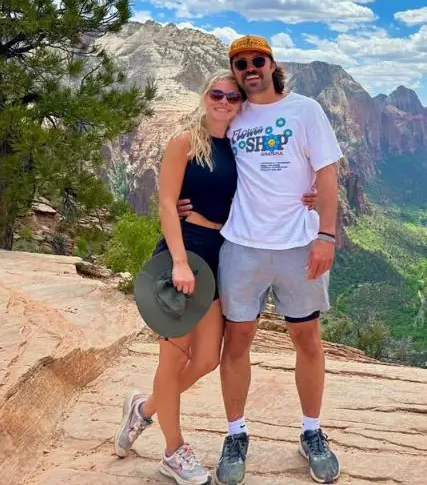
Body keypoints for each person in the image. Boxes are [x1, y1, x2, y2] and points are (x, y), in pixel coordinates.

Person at [113, 70, 316, 484]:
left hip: (223, 255)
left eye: (232, 96)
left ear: (241, 102)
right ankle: (173, 451)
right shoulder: (185, 141)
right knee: (173, 359)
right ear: (205, 96)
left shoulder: (239, 144)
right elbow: (168, 205)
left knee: (206, 359)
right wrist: (179, 263)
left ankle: (145, 409)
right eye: (216, 94)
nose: (224, 101)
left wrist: (305, 192)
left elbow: (269, 181)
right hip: (184, 254)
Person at [179, 35, 343, 485]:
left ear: (272, 65)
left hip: (297, 245)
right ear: (234, 71)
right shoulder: (231, 113)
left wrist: (326, 235)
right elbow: (198, 157)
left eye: (257, 60)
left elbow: (328, 175)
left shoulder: (306, 110)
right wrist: (180, 203)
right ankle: (236, 434)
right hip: (242, 246)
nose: (249, 68)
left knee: (307, 340)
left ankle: (311, 431)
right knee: (238, 342)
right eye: (240, 63)